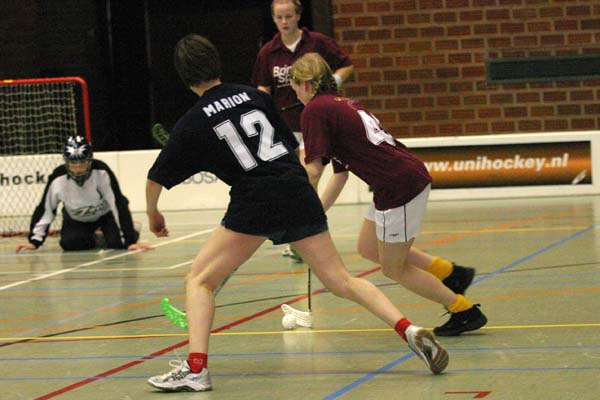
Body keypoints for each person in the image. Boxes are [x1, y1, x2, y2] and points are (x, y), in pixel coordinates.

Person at [145, 34, 448, 393]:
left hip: (255, 201)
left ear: (183, 77)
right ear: (217, 63)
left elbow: (156, 178)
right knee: (342, 281)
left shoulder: (193, 121)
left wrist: (153, 215)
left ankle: (196, 370)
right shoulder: (256, 96)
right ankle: (408, 329)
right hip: (296, 189)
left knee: (199, 280)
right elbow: (288, 148)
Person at [288, 53, 488, 337]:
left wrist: (297, 202)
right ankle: (450, 273)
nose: (295, 94)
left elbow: (313, 170)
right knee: (368, 247)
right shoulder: (339, 104)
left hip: (399, 185)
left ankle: (463, 310)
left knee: (394, 269)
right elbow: (340, 175)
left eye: (295, 87)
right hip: (394, 182)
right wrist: (317, 212)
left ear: (306, 84)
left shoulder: (315, 111)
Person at [252, 0, 354, 260]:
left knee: (310, 177)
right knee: (301, 179)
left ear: (298, 16)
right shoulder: (268, 52)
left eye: (288, 16)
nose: (284, 22)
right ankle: (305, 235)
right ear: (273, 19)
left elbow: (346, 65)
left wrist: (332, 82)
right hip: (286, 126)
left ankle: (306, 235)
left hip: (315, 122)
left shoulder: (318, 43)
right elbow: (263, 87)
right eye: (279, 17)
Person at [15, 135, 152, 253]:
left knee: (117, 244)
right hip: (76, 218)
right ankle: (97, 236)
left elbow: (117, 203)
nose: (78, 170)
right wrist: (34, 241)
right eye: (73, 164)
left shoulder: (102, 172)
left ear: (90, 161)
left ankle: (127, 230)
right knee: (70, 244)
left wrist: (129, 241)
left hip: (105, 215)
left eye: (82, 164)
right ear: (66, 162)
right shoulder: (58, 178)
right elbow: (46, 209)